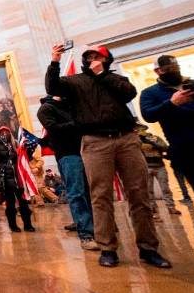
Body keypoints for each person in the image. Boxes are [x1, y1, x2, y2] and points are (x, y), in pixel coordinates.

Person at [47, 44, 170, 269]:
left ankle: (148, 248)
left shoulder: (115, 79)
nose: (92, 59)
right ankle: (107, 247)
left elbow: (129, 93)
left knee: (139, 194)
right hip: (95, 142)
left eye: (97, 56)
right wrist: (55, 61)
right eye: (88, 57)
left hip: (126, 139)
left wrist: (101, 74)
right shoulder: (75, 82)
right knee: (100, 195)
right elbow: (52, 86)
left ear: (106, 59)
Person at [37, 95, 97, 250]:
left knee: (92, 191)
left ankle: (94, 224)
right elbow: (55, 129)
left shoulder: (72, 104)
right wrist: (78, 124)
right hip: (68, 154)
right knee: (77, 192)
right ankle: (86, 234)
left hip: (88, 150)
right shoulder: (46, 109)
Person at [140, 54, 194, 205]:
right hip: (186, 149)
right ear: (158, 71)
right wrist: (172, 103)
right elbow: (148, 115)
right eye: (168, 69)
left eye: (175, 68)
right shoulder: (150, 93)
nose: (173, 71)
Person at [0, 125, 34, 233]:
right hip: (5, 178)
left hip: (18, 177)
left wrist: (29, 149)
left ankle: (28, 225)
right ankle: (13, 226)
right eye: (1, 132)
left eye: (6, 131)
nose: (4, 133)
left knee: (23, 203)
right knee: (10, 204)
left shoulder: (17, 143)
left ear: (10, 132)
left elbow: (27, 157)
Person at [135, 123, 179, 218]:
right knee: (148, 190)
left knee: (165, 188)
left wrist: (152, 144)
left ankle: (171, 207)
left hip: (159, 166)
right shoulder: (135, 140)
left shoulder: (154, 138)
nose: (140, 130)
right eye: (138, 129)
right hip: (146, 166)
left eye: (141, 129)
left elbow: (164, 147)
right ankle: (152, 209)